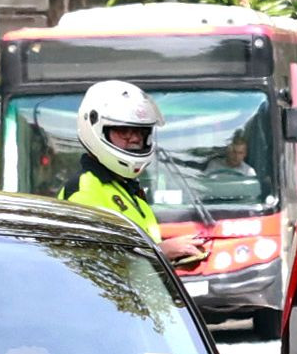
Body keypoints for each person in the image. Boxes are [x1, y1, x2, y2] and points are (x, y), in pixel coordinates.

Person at [58, 79, 209, 271]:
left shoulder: (128, 188)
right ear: (97, 130)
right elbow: (94, 264)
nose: (135, 138)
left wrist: (172, 258)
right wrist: (161, 253)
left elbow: (131, 255)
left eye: (140, 131)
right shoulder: (83, 190)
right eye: (123, 131)